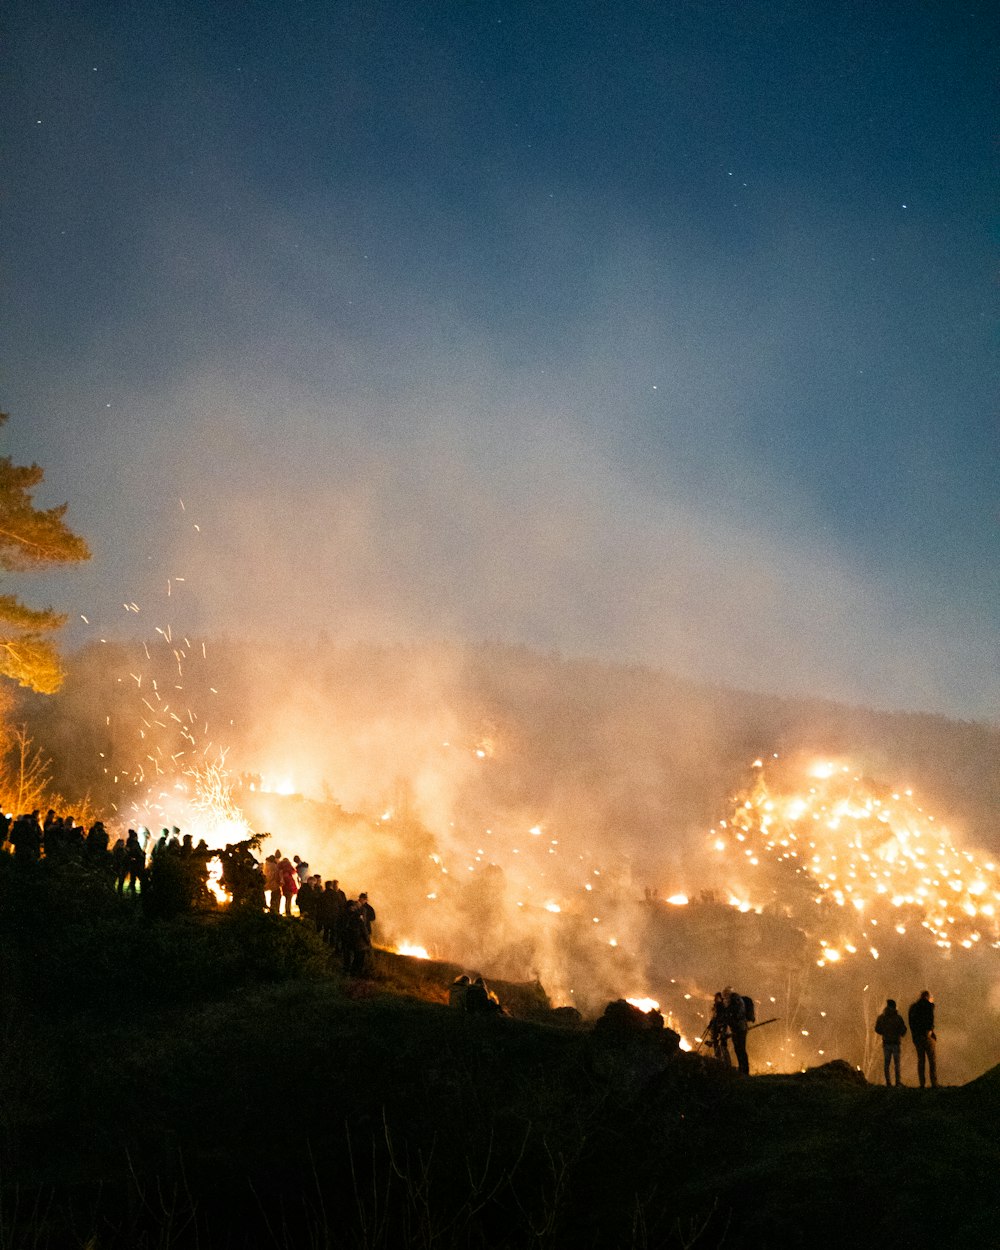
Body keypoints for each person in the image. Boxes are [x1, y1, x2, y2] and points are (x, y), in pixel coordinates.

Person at [874, 998, 907, 1086]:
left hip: (886, 1043)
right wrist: (899, 1033)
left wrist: (884, 1033)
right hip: (896, 1043)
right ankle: (897, 1082)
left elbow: (877, 1029)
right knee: (897, 1064)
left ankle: (888, 1082)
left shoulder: (882, 1018)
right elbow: (903, 1030)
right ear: (895, 1006)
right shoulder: (898, 1018)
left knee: (887, 1064)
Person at [908, 990, 937, 1088]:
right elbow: (930, 1019)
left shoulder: (913, 1007)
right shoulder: (928, 1006)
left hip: (917, 1037)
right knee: (932, 1060)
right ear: (927, 997)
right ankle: (934, 1082)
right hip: (927, 1036)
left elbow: (911, 1023)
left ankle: (922, 1083)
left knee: (921, 1061)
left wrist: (914, 1034)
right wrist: (929, 1031)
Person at [721, 987, 749, 1074]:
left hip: (740, 1029)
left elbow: (736, 1015)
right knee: (738, 1049)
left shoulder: (736, 1001)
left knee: (740, 1049)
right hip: (738, 1029)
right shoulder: (735, 1001)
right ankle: (743, 1069)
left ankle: (744, 1070)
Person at [709, 991, 731, 1066]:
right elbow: (714, 1017)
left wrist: (722, 1027)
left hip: (721, 1027)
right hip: (716, 1027)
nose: (715, 999)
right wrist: (711, 1024)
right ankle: (718, 1058)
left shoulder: (721, 1007)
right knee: (716, 1042)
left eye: (716, 997)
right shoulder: (716, 1007)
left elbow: (723, 1018)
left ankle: (726, 1061)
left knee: (723, 1044)